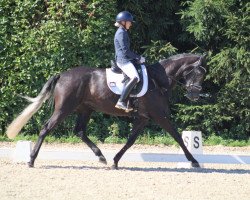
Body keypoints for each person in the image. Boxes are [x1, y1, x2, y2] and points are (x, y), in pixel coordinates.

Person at [114, 11, 145, 112]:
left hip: (125, 58)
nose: (131, 24)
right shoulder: (121, 33)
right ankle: (121, 101)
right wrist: (138, 57)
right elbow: (126, 51)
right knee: (135, 77)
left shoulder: (123, 31)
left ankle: (129, 101)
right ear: (123, 22)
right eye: (129, 22)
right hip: (123, 60)